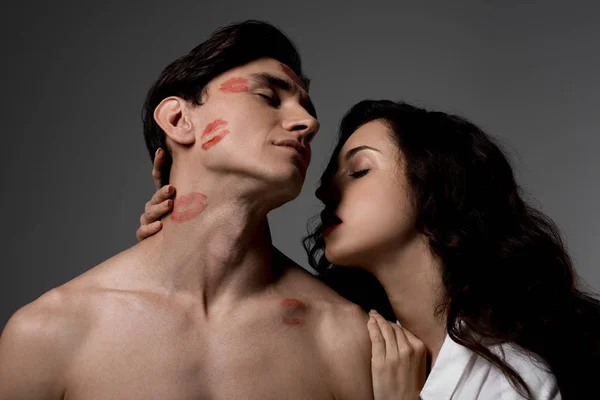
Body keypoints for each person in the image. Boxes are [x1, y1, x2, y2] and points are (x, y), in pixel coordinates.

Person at [0, 21, 413, 400]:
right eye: (269, 96)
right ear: (179, 119)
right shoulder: (50, 333)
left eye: (308, 109)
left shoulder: (347, 336)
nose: (308, 122)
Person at [141, 99, 600, 399]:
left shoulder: (513, 380)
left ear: (437, 189)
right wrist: (186, 233)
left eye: (359, 171)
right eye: (329, 179)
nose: (324, 192)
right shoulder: (355, 337)